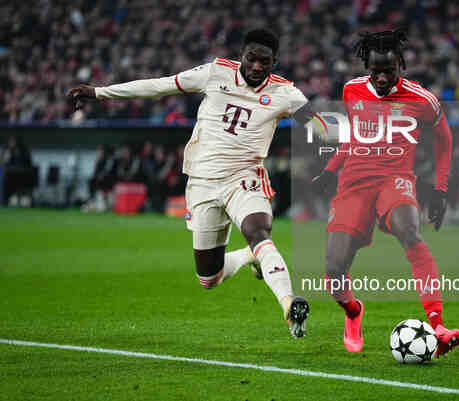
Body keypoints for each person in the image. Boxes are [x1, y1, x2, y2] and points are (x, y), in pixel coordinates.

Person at [67, 29, 312, 338]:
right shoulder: (215, 72)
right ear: (242, 55)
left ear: (275, 61)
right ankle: (250, 257)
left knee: (258, 231)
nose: (257, 67)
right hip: (202, 182)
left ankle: (289, 306)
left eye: (265, 61)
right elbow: (160, 86)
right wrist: (99, 92)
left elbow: (320, 124)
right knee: (209, 278)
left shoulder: (285, 93)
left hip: (245, 177)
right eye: (251, 59)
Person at [312, 29, 459, 354]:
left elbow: (445, 140)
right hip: (354, 183)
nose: (381, 78)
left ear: (401, 66)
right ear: (367, 66)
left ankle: (436, 325)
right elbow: (355, 135)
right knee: (334, 268)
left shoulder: (422, 100)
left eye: (389, 71)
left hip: (395, 179)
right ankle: (353, 311)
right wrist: (330, 169)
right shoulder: (352, 90)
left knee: (410, 232)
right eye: (375, 71)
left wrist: (440, 190)